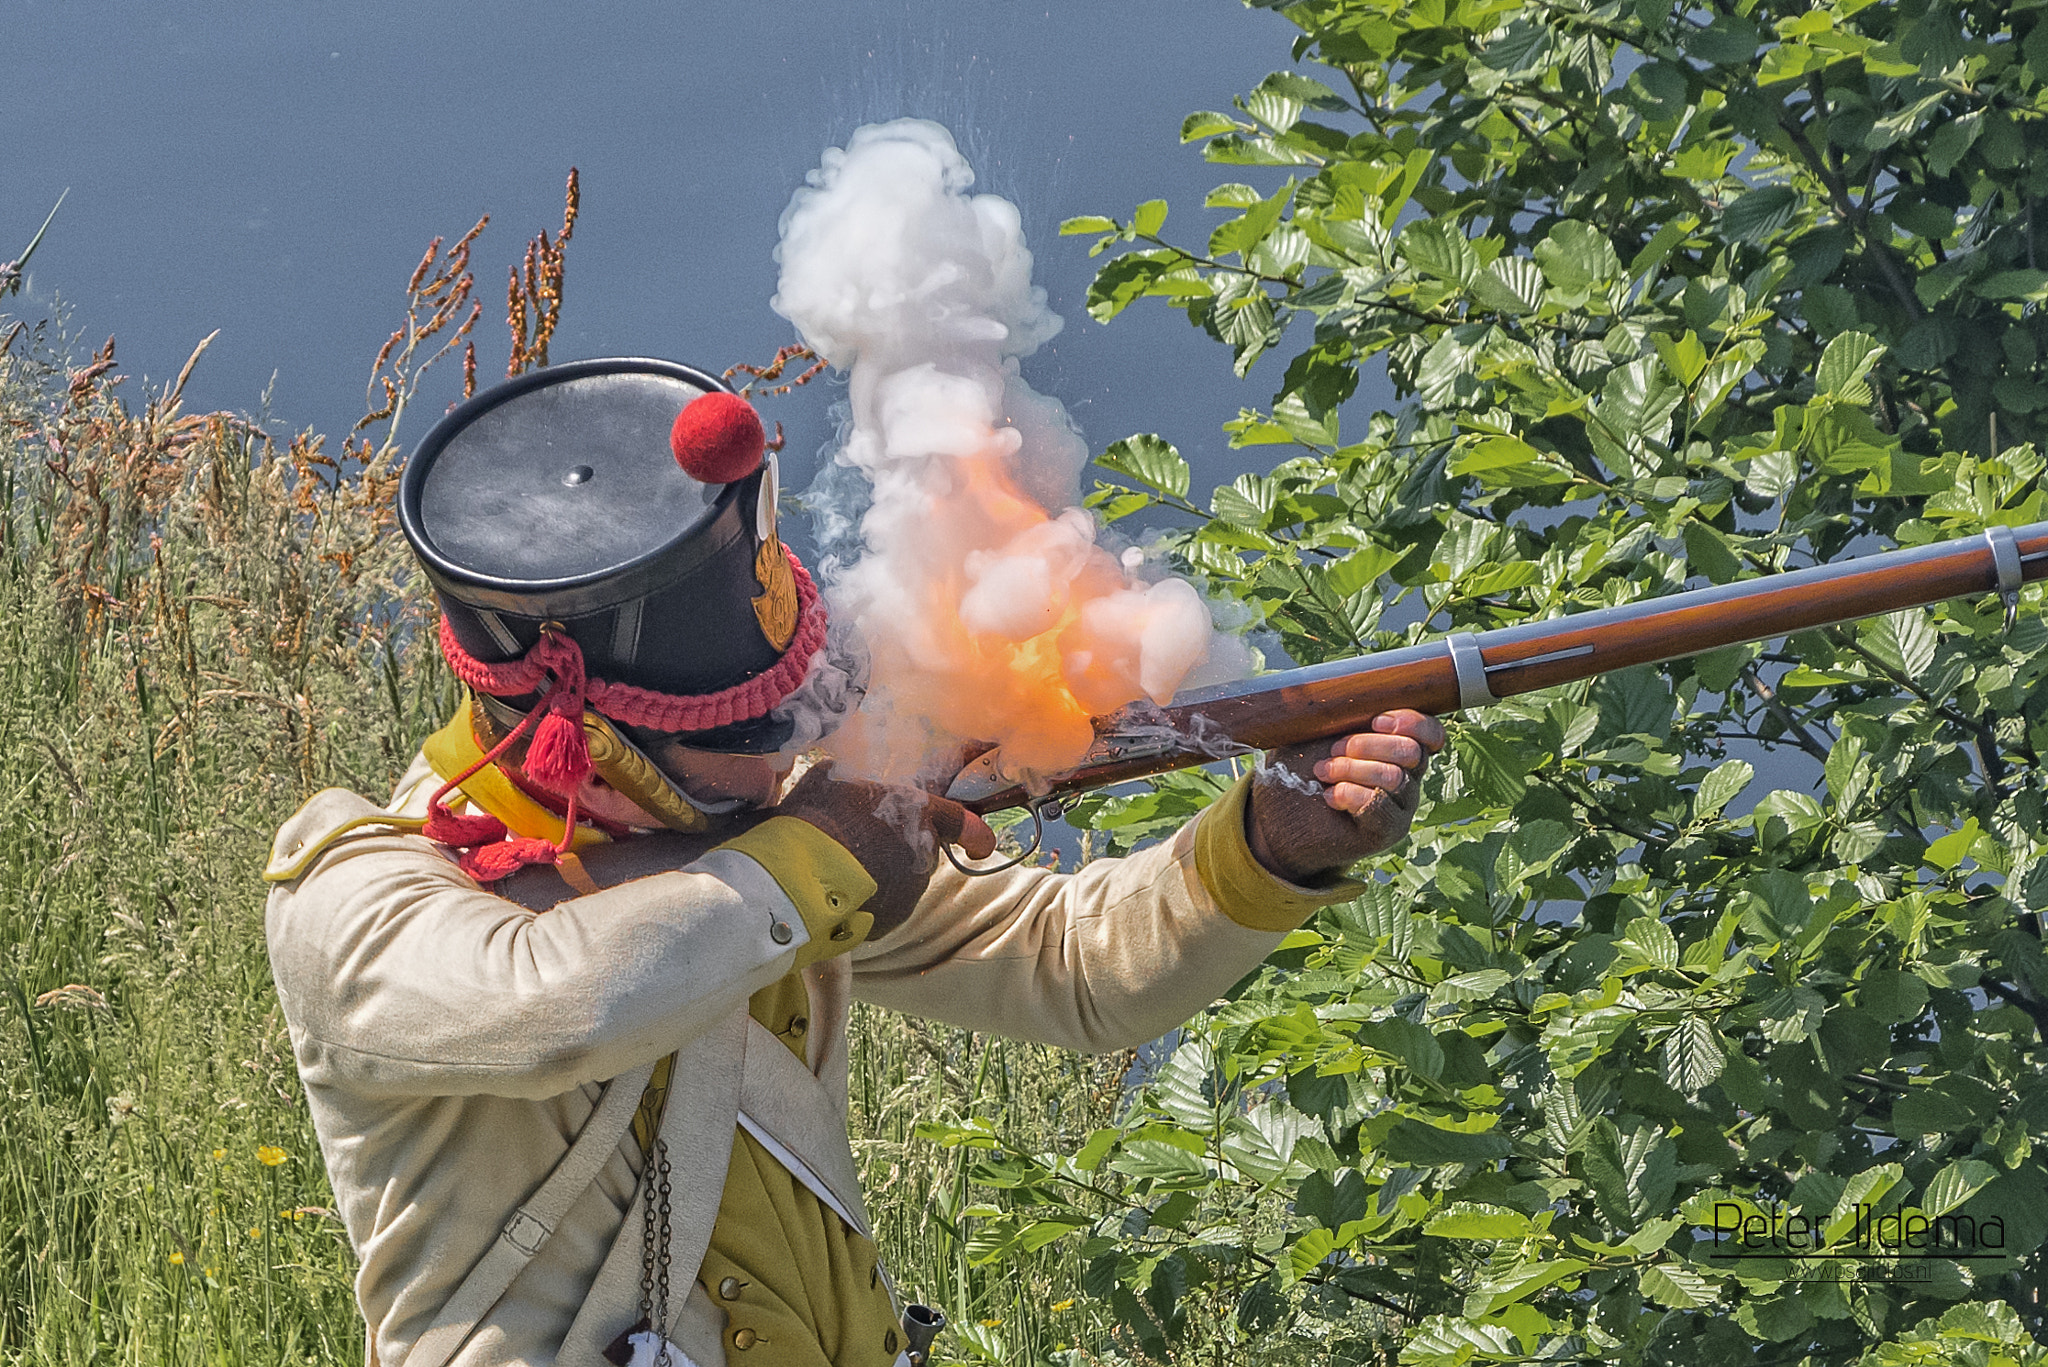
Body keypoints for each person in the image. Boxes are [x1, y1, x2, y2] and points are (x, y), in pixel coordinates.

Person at [263, 359, 1445, 1367]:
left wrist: (1265, 848)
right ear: (582, 727)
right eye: (741, 726)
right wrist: (825, 852)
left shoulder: (762, 848)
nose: (781, 744)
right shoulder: (358, 894)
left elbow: (1079, 969)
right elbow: (561, 1004)